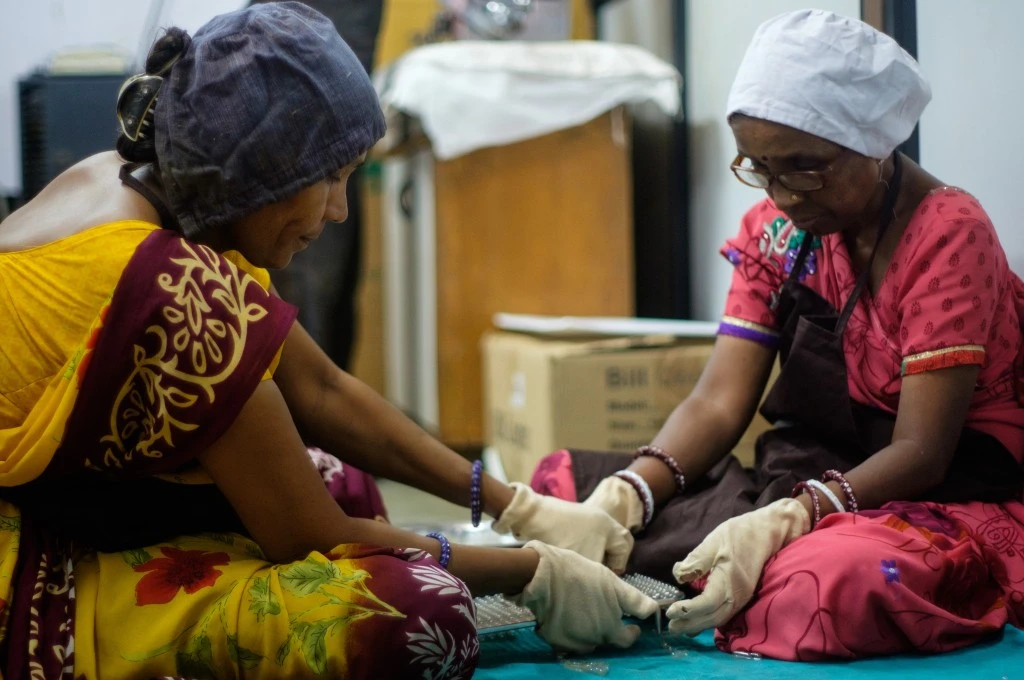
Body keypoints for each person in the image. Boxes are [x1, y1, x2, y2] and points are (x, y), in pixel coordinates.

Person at [0, 4, 657, 678]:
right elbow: (312, 537)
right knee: (420, 615)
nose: (339, 210)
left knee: (340, 479)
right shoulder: (173, 290)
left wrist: (516, 507)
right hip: (39, 559)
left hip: (90, 496)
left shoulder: (121, 179)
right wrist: (535, 573)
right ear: (262, 171)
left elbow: (320, 388)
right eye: (332, 178)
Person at [530, 9, 1024, 660]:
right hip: (815, 473)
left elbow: (924, 452)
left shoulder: (947, 234)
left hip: (937, 493)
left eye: (805, 166)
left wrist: (793, 516)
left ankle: (778, 553)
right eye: (761, 167)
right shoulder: (778, 231)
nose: (783, 193)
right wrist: (632, 492)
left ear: (873, 142)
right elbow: (716, 403)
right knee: (565, 491)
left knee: (817, 587)